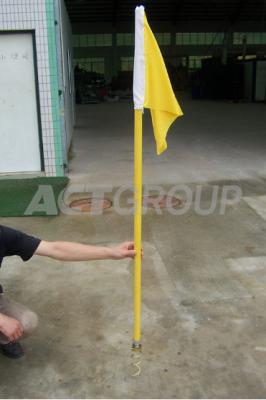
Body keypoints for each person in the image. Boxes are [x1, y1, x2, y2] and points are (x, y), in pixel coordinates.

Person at [0, 224, 137, 359]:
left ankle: (3, 340)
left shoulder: (3, 234)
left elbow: (55, 249)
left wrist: (112, 252)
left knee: (27, 322)